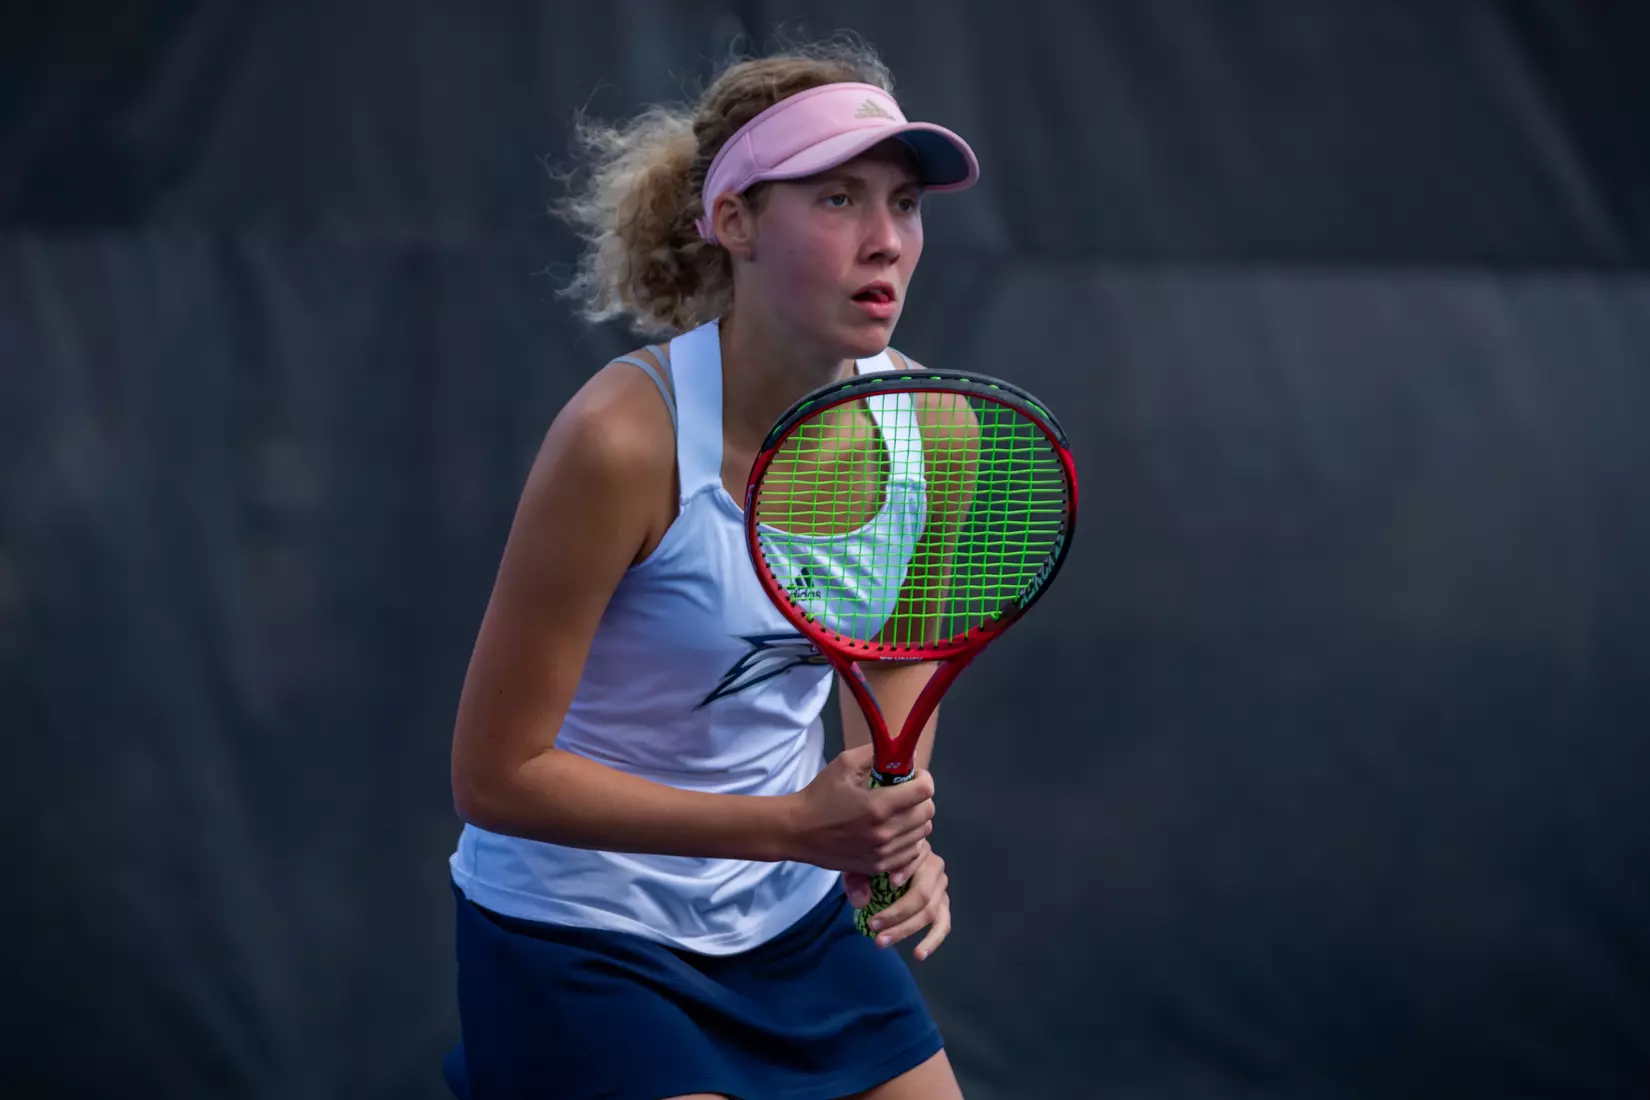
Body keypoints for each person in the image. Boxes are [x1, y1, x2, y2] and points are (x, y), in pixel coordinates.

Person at [445, 36, 981, 1100]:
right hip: (579, 932)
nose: (886, 240)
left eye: (905, 203)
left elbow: (894, 664)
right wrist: (796, 827)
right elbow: (494, 774)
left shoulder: (939, 424)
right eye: (836, 200)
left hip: (790, 913)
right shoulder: (622, 441)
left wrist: (891, 817)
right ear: (733, 221)